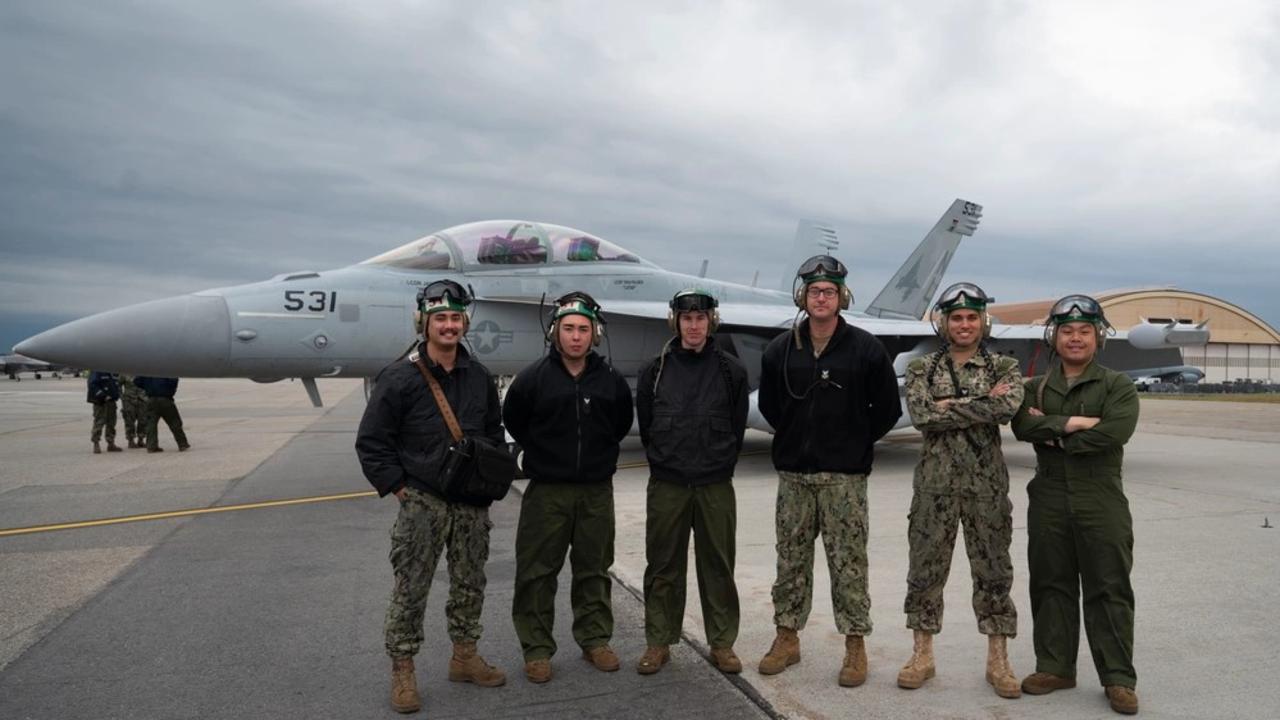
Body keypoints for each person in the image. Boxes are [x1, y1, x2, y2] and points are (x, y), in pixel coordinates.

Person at [355, 280, 507, 714]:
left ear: (464, 323)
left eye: (456, 318)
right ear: (424, 322)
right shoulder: (399, 377)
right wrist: (401, 488)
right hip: (422, 500)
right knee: (412, 587)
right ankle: (403, 670)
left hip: (471, 503)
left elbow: (493, 433)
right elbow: (372, 442)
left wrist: (489, 474)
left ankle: (464, 656)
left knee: (470, 582)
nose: (449, 325)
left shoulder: (478, 376)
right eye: (440, 318)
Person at [756, 255, 902, 687]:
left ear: (841, 297)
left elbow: (887, 410)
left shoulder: (866, 349)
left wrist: (853, 442)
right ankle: (787, 637)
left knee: (849, 565)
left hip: (844, 479)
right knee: (790, 562)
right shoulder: (780, 350)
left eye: (830, 291)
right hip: (795, 478)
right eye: (815, 291)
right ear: (803, 296)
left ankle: (855, 645)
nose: (821, 298)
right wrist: (797, 436)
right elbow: (770, 407)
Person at [1011, 295, 1141, 715]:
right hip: (1048, 495)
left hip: (1100, 495)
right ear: (1054, 337)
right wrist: (1078, 423)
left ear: (1098, 337)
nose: (1076, 338)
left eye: (1085, 331)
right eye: (1067, 331)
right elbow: (1022, 425)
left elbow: (1114, 433)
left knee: (1109, 586)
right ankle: (1055, 667)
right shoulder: (1035, 387)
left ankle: (1118, 677)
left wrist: (1052, 433)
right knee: (1050, 583)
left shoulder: (1116, 386)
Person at [897, 283, 1024, 698]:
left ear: (982, 321)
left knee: (993, 573)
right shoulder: (923, 369)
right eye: (957, 318)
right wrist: (979, 402)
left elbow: (1006, 408)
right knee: (925, 572)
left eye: (972, 317)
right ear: (945, 323)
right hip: (934, 487)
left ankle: (998, 659)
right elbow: (920, 416)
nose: (964, 324)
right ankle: (922, 654)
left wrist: (949, 405)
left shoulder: (1004, 367)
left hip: (986, 488)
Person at [503, 291, 634, 684]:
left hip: (596, 491)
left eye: (583, 329)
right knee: (536, 572)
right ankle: (537, 649)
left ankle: (595, 639)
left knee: (594, 569)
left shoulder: (610, 380)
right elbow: (516, 420)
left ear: (594, 333)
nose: (575, 337)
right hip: (547, 492)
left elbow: (620, 424)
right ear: (554, 332)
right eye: (568, 329)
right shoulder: (532, 380)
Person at [633, 289, 749, 675]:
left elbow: (736, 427)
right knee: (663, 565)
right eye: (687, 319)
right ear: (676, 322)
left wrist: (716, 463)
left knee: (718, 565)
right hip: (668, 483)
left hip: (715, 483)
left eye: (701, 319)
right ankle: (658, 642)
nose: (694, 326)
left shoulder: (732, 370)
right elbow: (647, 427)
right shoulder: (656, 369)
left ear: (711, 321)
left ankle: (722, 643)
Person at [133, 376, 189, 452]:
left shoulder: (148, 370)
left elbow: (137, 381)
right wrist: (170, 390)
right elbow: (173, 380)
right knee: (174, 422)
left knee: (151, 424)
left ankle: (151, 446)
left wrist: (148, 387)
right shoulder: (166, 369)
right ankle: (182, 444)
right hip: (165, 399)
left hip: (151, 399)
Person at [86, 370, 122, 454]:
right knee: (99, 422)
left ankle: (111, 443)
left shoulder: (114, 372)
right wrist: (103, 395)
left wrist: (116, 395)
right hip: (101, 402)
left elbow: (116, 384)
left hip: (112, 402)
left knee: (111, 423)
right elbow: (92, 384)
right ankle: (96, 443)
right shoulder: (98, 370)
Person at [120, 374, 147, 448]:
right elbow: (118, 384)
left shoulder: (144, 371)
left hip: (142, 399)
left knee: (143, 420)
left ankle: (141, 439)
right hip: (129, 400)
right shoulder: (125, 372)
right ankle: (130, 440)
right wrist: (122, 396)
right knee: (129, 421)